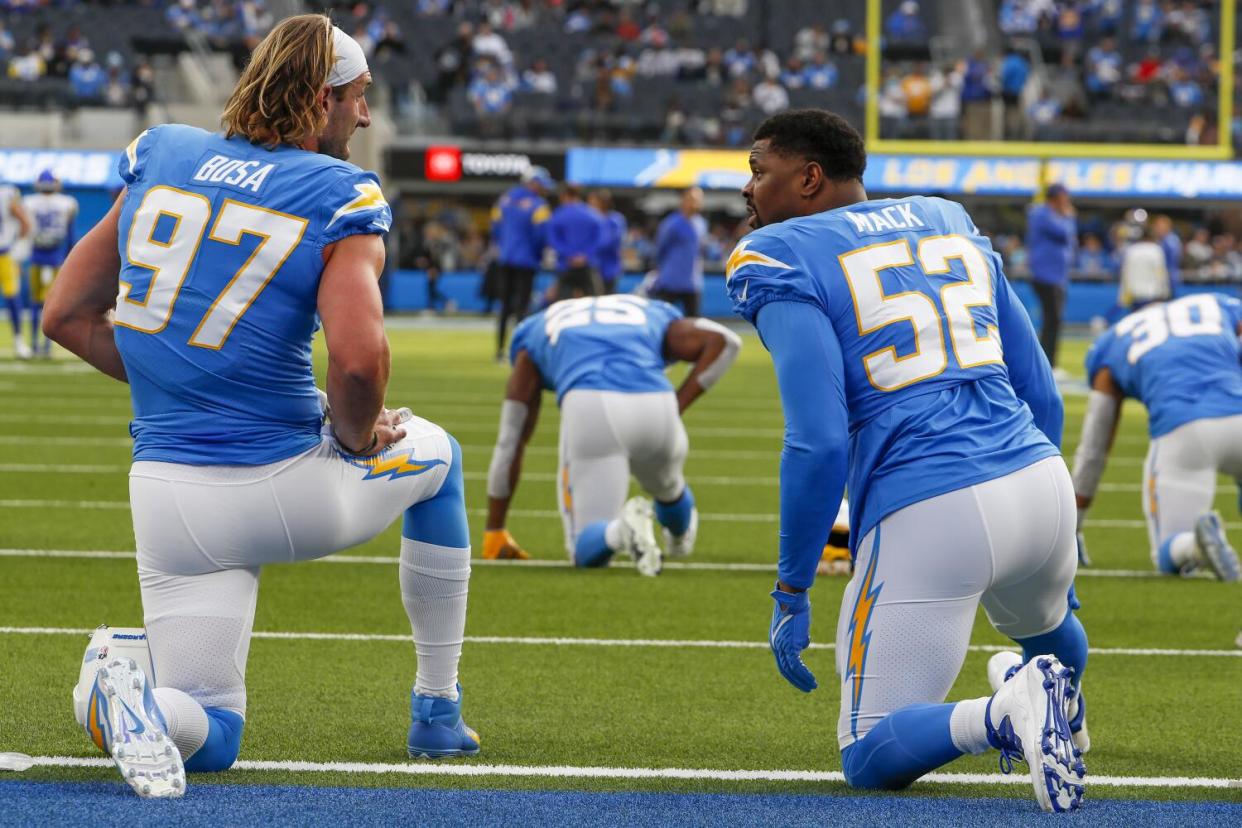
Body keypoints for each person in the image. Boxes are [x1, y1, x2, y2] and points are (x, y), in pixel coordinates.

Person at [43, 16, 477, 799]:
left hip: (166, 496)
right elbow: (358, 359)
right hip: (277, 482)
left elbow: (66, 315)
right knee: (438, 461)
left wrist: (184, 389)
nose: (367, 116)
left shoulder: (165, 153)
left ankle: (121, 701)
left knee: (210, 732)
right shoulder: (339, 191)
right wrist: (352, 440)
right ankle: (437, 711)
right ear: (320, 99)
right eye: (358, 98)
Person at [727, 109, 1086, 811]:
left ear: (807, 177)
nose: (748, 188)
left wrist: (792, 587)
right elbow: (1039, 387)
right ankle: (1066, 716)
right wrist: (1059, 529)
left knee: (867, 755)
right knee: (1047, 621)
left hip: (933, 504)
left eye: (758, 170)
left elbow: (819, 439)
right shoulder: (946, 217)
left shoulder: (774, 254)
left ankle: (1003, 712)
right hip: (1039, 478)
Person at [482, 295, 740, 575]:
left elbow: (511, 439)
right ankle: (679, 537)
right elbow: (726, 341)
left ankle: (622, 531)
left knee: (585, 549)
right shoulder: (651, 311)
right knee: (668, 487)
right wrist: (678, 405)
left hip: (592, 406)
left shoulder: (535, 329)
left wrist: (494, 529)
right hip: (657, 402)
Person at [1073, 294, 1242, 582]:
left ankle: (1194, 547)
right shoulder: (1216, 304)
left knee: (1168, 553)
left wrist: (1072, 528)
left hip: (1183, 432)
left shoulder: (1110, 343)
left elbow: (1094, 448)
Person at [491, 166, 552, 360]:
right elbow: (541, 235)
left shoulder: (505, 199)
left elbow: (495, 229)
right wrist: (538, 254)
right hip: (527, 260)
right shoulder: (539, 206)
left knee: (505, 307)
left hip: (505, 258)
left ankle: (499, 351)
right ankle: (519, 352)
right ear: (533, 183)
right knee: (522, 308)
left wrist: (504, 247)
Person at [22, 170, 78, 357]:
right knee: (51, 303)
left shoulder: (28, 202)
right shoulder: (67, 203)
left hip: (37, 256)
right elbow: (70, 236)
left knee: (36, 303)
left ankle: (35, 343)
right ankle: (46, 346)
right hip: (56, 257)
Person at [1025, 183, 1076, 374]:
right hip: (1046, 275)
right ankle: (1047, 365)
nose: (1067, 201)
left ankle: (1049, 363)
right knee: (1051, 321)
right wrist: (1069, 216)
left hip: (1056, 276)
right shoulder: (1043, 214)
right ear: (1055, 197)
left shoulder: (1050, 214)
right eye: (1064, 196)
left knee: (1053, 321)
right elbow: (1065, 233)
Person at [651, 187, 706, 316]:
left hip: (693, 283)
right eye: (692, 199)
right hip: (670, 282)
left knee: (694, 324)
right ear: (683, 201)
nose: (696, 203)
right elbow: (660, 249)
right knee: (664, 321)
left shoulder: (701, 223)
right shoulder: (671, 224)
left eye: (698, 199)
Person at [547, 183, 604, 300]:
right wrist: (585, 256)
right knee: (592, 304)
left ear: (564, 196)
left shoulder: (558, 215)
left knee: (563, 306)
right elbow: (600, 239)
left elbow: (553, 240)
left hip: (565, 265)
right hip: (588, 265)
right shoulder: (593, 214)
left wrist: (570, 255)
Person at [0, 178, 32, 358]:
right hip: (5, 252)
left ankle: (19, 340)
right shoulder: (7, 193)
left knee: (12, 297)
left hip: (4, 253)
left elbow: (25, 223)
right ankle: (19, 341)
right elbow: (25, 223)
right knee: (12, 297)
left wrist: (16, 250)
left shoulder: (6, 193)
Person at [1116, 224, 1170, 311]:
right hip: (1152, 295)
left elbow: (1125, 274)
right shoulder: (1156, 250)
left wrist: (1123, 295)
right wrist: (1165, 292)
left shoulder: (1131, 250)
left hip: (1135, 294)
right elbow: (1160, 273)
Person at [589, 188, 626, 293]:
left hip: (610, 268)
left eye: (594, 201)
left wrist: (587, 247)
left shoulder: (615, 219)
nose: (591, 205)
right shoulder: (590, 219)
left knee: (608, 301)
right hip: (592, 268)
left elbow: (609, 242)